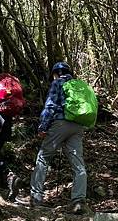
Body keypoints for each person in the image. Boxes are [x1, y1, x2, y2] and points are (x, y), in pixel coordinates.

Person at [23, 61, 88, 213]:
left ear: (55, 73)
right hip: (78, 126)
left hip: (60, 123)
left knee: (43, 158)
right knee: (78, 163)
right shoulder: (78, 85)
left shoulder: (58, 83)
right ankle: (78, 200)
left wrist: (43, 127)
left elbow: (50, 106)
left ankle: (36, 197)